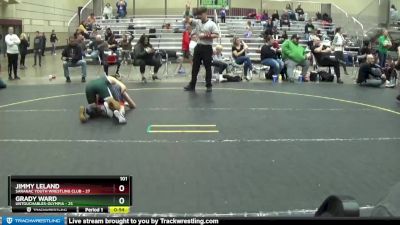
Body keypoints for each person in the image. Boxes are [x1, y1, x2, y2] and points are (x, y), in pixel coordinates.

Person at [183, 7, 220, 92]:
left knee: (208, 67)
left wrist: (206, 36)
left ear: (205, 13)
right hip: (198, 47)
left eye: (201, 14)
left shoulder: (212, 24)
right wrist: (187, 11)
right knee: (195, 67)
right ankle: (192, 85)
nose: (200, 16)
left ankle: (208, 85)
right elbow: (188, 20)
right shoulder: (198, 22)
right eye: (199, 15)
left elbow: (216, 35)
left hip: (207, 48)